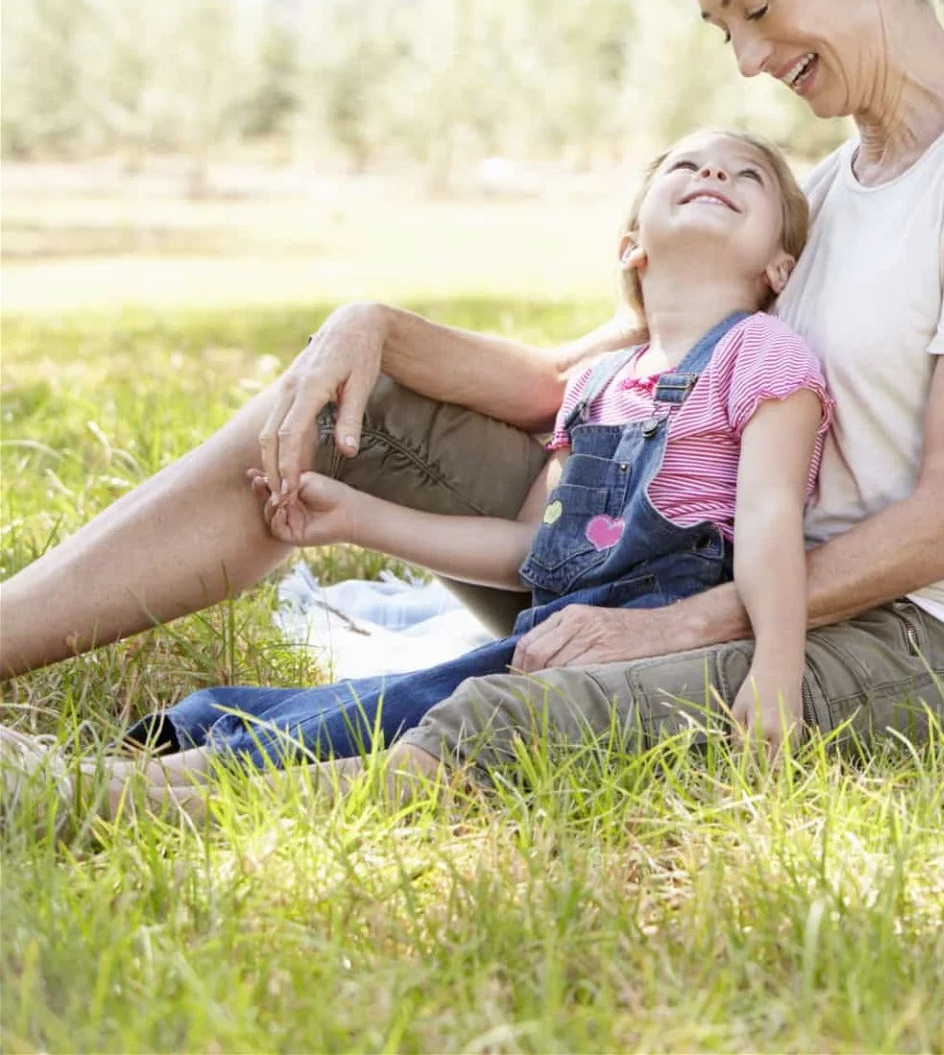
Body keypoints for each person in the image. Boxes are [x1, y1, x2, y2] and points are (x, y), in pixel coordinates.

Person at [0, 0, 944, 786]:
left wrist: (680, 625)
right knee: (354, 404)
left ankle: (113, 802)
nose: (750, 61)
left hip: (929, 638)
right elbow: (555, 384)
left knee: (518, 721)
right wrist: (363, 325)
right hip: (686, 567)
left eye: (756, 10)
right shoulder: (834, 186)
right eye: (726, 31)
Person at [5, 130, 828, 825]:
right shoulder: (597, 385)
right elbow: (529, 554)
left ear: (781, 269)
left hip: (650, 640)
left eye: (746, 175)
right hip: (555, 632)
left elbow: (767, 523)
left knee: (409, 709)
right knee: (383, 700)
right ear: (631, 247)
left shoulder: (762, 356)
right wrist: (356, 518)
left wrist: (779, 670)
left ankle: (101, 791)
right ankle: (180, 737)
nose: (714, 173)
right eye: (686, 167)